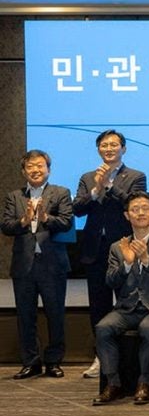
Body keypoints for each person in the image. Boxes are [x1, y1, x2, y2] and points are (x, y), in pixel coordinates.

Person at [92, 191, 149, 405]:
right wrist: (127, 264)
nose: (140, 213)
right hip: (128, 307)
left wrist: (147, 259)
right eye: (135, 209)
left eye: (145, 209)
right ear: (127, 215)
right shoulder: (118, 247)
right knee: (103, 328)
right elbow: (110, 281)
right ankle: (113, 384)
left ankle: (144, 383)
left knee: (148, 329)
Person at [73, 129, 147, 378]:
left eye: (114, 145)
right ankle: (101, 357)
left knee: (128, 301)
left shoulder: (136, 176)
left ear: (123, 148)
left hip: (125, 247)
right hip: (94, 249)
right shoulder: (87, 177)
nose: (109, 149)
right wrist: (95, 189)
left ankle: (128, 357)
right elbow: (78, 208)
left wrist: (109, 185)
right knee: (98, 304)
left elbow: (133, 204)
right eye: (104, 145)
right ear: (98, 150)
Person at [1, 150, 73, 380]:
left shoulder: (61, 192)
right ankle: (30, 362)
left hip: (53, 265)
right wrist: (24, 220)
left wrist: (45, 218)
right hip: (24, 265)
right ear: (24, 171)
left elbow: (66, 222)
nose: (35, 170)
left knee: (55, 314)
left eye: (40, 166)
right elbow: (6, 226)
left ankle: (54, 361)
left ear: (48, 169)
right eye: (30, 166)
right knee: (25, 316)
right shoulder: (14, 196)